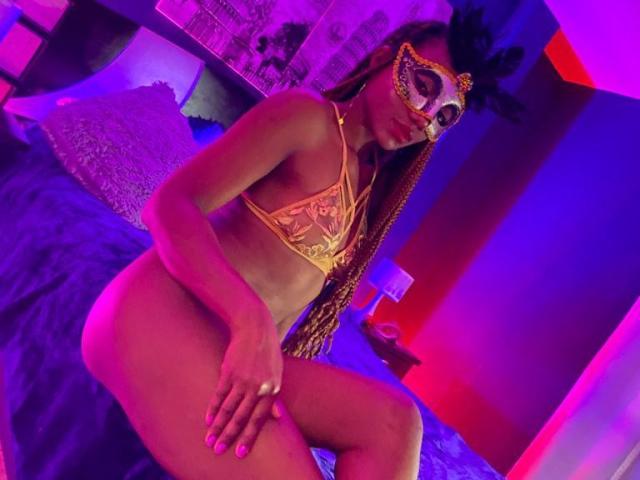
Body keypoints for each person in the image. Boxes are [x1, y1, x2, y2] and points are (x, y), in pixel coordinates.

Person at [81, 7, 523, 480]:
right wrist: (250, 320)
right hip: (163, 314)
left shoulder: (368, 186)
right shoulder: (306, 117)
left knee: (397, 424)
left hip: (237, 351)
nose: (423, 117)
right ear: (382, 59)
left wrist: (260, 346)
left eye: (444, 115)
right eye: (423, 85)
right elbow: (170, 207)